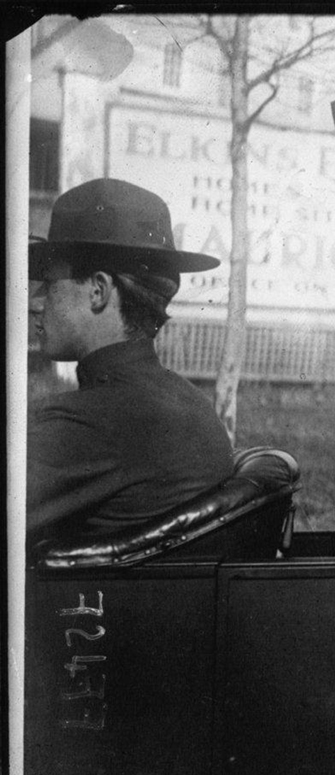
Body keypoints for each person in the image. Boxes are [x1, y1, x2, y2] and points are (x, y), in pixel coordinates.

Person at [27, 178, 234, 541]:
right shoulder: (186, 401)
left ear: (98, 290)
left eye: (49, 282)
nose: (35, 301)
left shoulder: (89, 424)